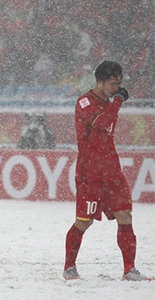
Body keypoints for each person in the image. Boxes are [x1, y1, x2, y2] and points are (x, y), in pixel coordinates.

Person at [63, 61, 151, 281]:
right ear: (100, 82)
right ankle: (69, 267)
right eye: (113, 84)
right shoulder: (84, 102)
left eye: (119, 84)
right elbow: (103, 123)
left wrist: (115, 102)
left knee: (125, 215)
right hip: (91, 173)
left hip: (112, 171)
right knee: (84, 221)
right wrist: (119, 101)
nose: (116, 88)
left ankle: (129, 270)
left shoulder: (108, 103)